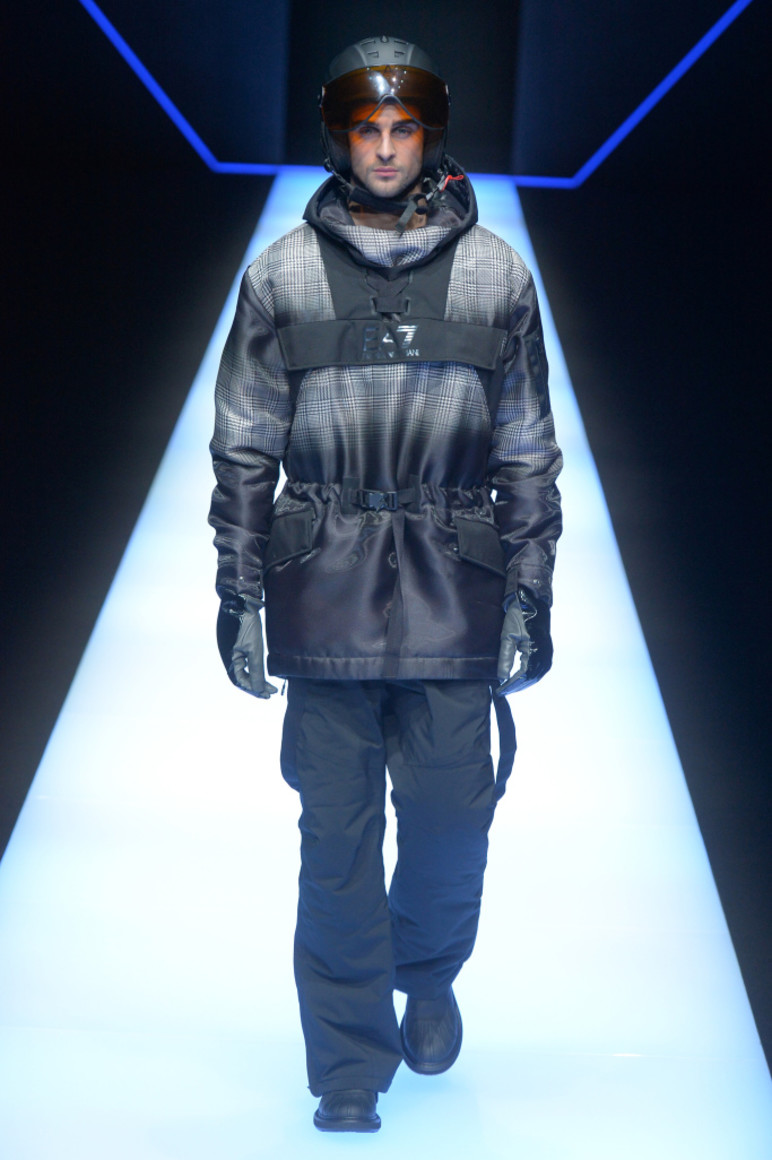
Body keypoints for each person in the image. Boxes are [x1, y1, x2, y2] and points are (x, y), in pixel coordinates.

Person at [209, 35, 562, 1133]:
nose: (385, 149)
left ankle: (426, 968)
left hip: (455, 586)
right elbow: (243, 446)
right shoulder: (281, 276)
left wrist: (532, 588)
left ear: (430, 137)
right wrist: (238, 592)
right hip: (322, 585)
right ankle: (348, 1063)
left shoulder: (498, 274)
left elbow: (526, 448)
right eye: (367, 130)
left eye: (403, 129)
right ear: (339, 138)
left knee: (454, 821)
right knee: (337, 840)